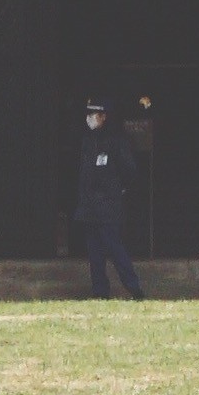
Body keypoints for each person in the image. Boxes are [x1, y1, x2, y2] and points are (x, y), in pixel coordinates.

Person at [72, 92, 144, 299]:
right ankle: (100, 291)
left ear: (104, 116)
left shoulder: (116, 141)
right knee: (94, 252)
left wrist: (117, 190)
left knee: (114, 247)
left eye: (94, 114)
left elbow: (129, 170)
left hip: (108, 205)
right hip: (90, 207)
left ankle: (134, 288)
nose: (90, 118)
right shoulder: (88, 141)